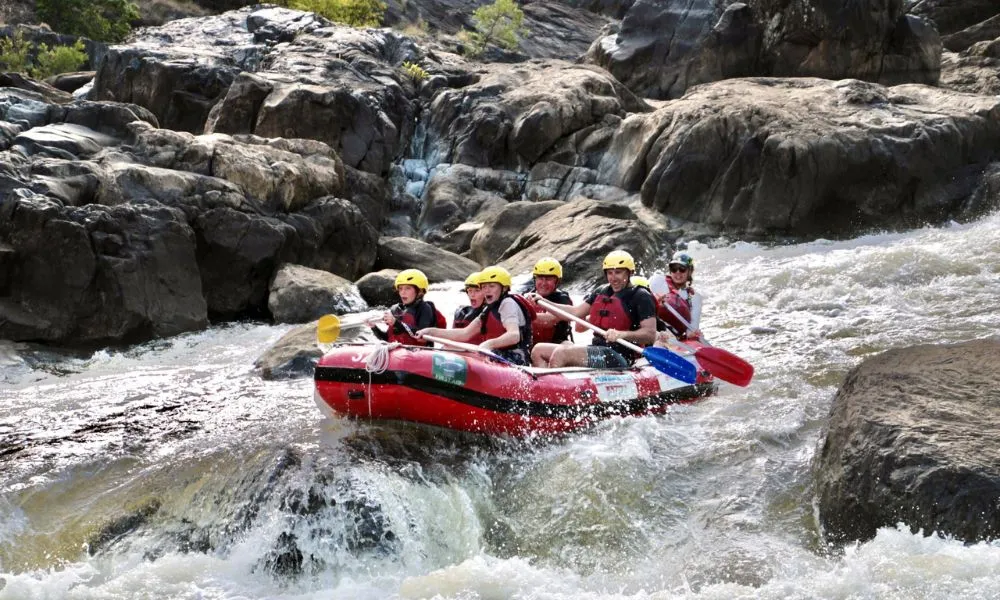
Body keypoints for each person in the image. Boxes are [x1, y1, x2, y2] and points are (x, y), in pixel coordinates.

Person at [529, 250, 657, 369]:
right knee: (538, 350)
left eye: (618, 272)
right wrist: (543, 301)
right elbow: (575, 312)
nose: (613, 278)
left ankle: (556, 390)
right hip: (597, 349)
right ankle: (544, 386)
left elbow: (650, 335)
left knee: (562, 353)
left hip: (619, 355)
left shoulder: (640, 296)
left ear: (630, 273)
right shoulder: (601, 291)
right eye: (609, 273)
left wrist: (622, 334)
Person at [418, 266, 536, 365]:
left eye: (492, 286)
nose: (487, 290)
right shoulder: (488, 309)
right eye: (484, 287)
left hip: (516, 358)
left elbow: (514, 335)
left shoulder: (507, 303)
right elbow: (464, 333)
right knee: (448, 348)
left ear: (504, 288)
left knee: (474, 355)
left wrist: (488, 344)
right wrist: (430, 331)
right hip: (497, 353)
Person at [369, 269, 446, 346]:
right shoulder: (396, 310)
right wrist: (374, 327)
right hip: (398, 353)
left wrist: (396, 323)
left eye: (408, 288)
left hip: (418, 353)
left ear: (420, 292)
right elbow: (387, 338)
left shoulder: (424, 308)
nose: (403, 292)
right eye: (400, 288)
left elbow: (421, 336)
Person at [525, 257, 573, 346]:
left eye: (548, 279)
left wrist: (522, 316)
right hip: (530, 344)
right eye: (540, 278)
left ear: (557, 281)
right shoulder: (526, 295)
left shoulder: (563, 299)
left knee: (568, 344)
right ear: (535, 279)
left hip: (555, 345)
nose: (543, 283)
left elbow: (550, 321)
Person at [655, 251, 702, 340]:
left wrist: (692, 334)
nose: (678, 272)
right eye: (674, 269)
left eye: (682, 269)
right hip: (654, 327)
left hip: (673, 337)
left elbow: (691, 329)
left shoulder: (695, 298)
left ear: (690, 271)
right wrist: (654, 302)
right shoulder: (658, 281)